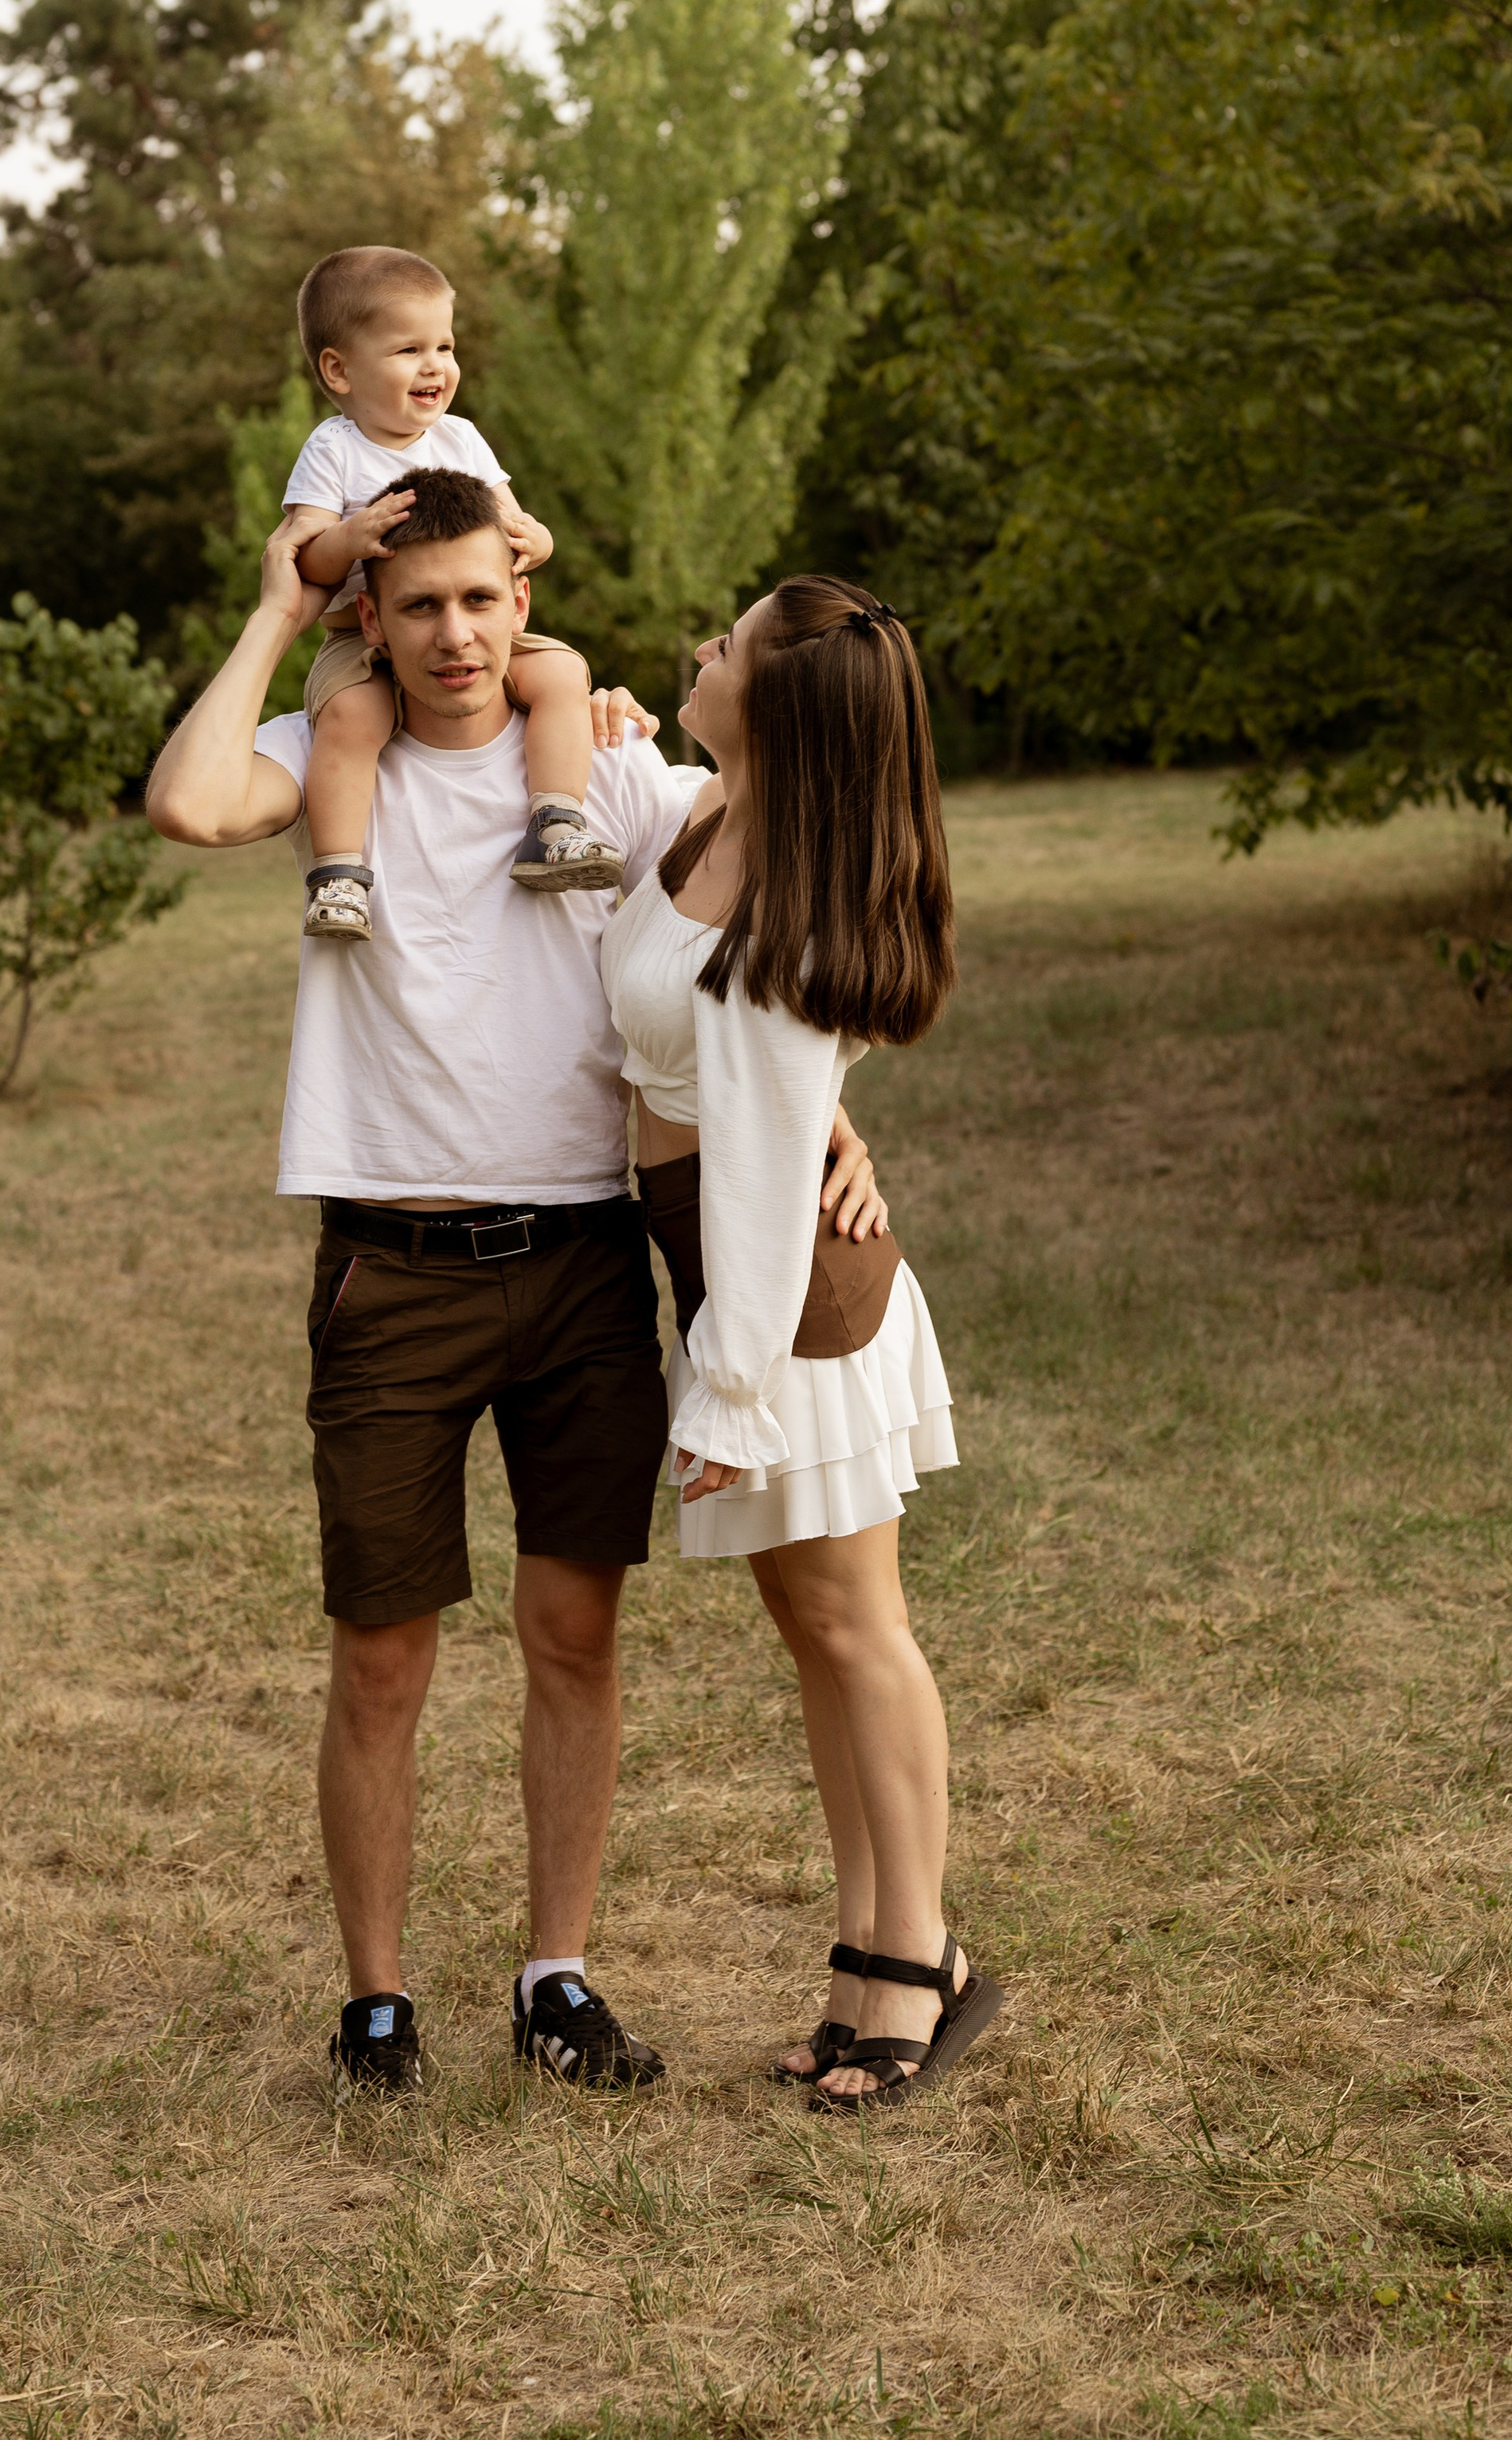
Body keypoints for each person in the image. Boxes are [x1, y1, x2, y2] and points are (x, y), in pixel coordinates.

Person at [143, 471, 883, 2099]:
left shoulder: (603, 771)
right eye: (417, 605)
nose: (454, 634)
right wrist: (276, 606)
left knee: (573, 1632)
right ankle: (377, 2004)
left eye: (480, 599)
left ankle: (557, 1976)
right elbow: (187, 802)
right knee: (380, 1655)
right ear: (372, 618)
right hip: (389, 1271)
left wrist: (832, 1106)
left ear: (521, 604)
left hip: (576, 1264)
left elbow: (765, 902)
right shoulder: (330, 754)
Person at [599, 577, 1003, 2112]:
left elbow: (768, 1178)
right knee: (812, 1627)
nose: (700, 648)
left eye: (727, 642)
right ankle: (868, 1954)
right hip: (726, 1269)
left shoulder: (789, 918)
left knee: (857, 1628)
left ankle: (920, 1961)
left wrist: (731, 1389)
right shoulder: (708, 812)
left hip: (787, 1302)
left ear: (773, 700)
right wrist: (601, 725)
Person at [277, 244, 623, 944]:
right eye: (409, 349)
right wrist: (350, 537)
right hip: (361, 636)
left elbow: (509, 525)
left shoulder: (461, 439)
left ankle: (556, 820)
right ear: (339, 370)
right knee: (350, 718)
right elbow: (302, 555)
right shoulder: (335, 448)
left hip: (460, 625)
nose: (435, 365)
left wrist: (539, 540)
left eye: (445, 346)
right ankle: (339, 875)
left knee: (562, 672)